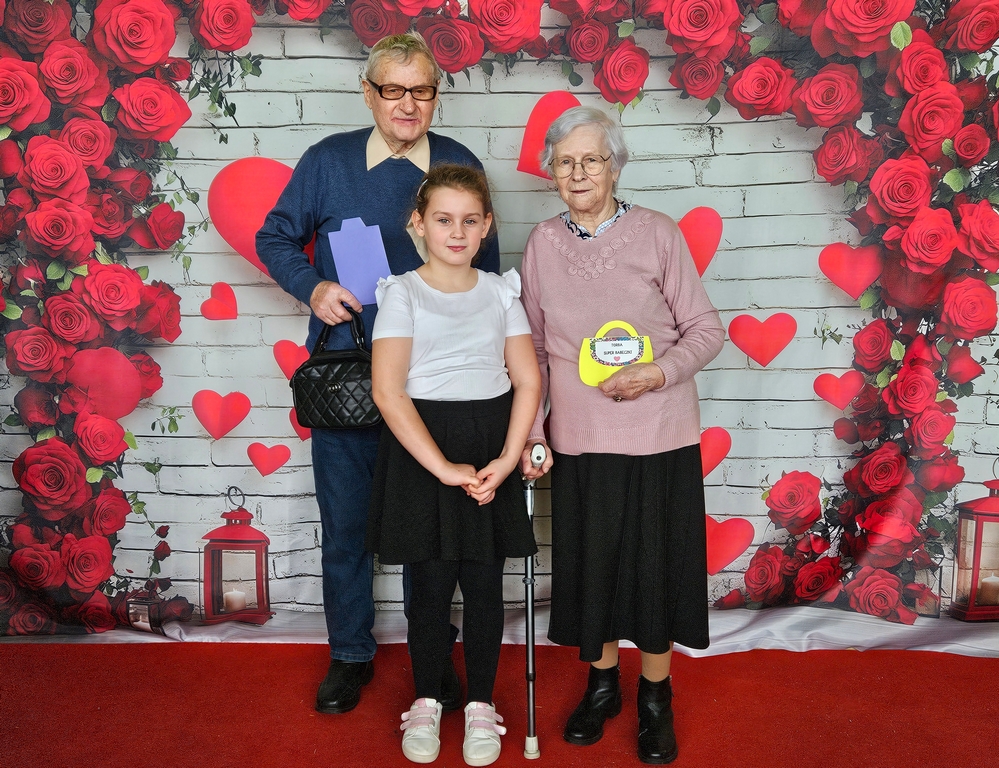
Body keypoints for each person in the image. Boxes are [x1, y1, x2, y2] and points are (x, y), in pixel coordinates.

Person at [256, 33, 498, 716]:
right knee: (347, 528)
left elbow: (488, 275)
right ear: (368, 93)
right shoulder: (327, 161)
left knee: (431, 534)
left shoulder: (459, 162)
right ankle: (350, 654)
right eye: (393, 89)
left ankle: (433, 656)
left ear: (435, 96)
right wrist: (312, 287)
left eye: (421, 90)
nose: (407, 104)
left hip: (438, 382)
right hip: (348, 379)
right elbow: (274, 235)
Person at [518, 106, 725, 765]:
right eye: (565, 162)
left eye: (592, 159)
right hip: (579, 441)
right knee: (592, 569)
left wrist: (655, 373)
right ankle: (603, 686)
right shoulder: (540, 244)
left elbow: (706, 331)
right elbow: (533, 351)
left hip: (658, 436)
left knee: (654, 571)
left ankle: (656, 697)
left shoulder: (658, 233)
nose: (579, 172)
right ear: (552, 173)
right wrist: (532, 430)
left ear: (615, 166)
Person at [367, 164, 540, 766]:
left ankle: (481, 704)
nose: (457, 232)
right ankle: (427, 699)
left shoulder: (500, 292)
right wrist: (441, 467)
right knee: (430, 588)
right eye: (444, 220)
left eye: (470, 221)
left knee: (486, 586)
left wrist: (509, 457)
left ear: (487, 225)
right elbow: (388, 391)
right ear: (419, 224)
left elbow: (527, 380)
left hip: (491, 442)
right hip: (423, 448)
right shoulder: (402, 293)